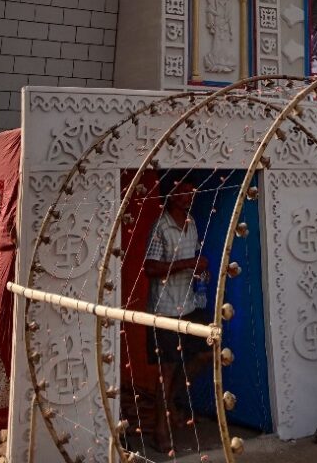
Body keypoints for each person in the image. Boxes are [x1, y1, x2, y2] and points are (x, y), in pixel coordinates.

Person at [144, 181, 213, 452]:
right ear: (172, 196)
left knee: (205, 354)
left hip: (189, 304)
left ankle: (172, 401)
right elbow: (150, 268)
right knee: (167, 369)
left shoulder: (191, 223)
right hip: (165, 309)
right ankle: (160, 429)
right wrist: (188, 264)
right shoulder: (160, 227)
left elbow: (192, 257)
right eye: (184, 191)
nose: (190, 196)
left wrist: (199, 269)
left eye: (192, 192)